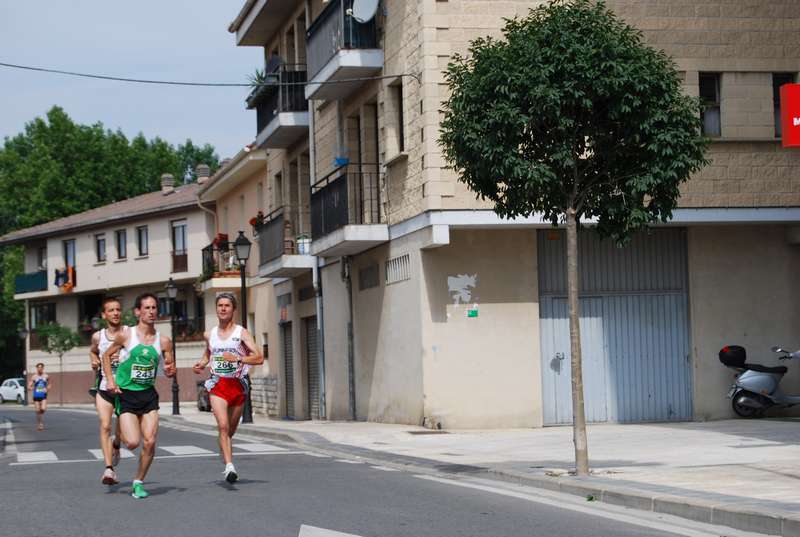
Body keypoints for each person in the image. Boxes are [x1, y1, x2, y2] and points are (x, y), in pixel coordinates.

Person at [103, 293, 176, 499]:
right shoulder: (127, 335)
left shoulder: (164, 341)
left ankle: (138, 481)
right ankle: (117, 441)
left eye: (154, 308)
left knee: (150, 441)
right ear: (137, 312)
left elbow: (169, 366)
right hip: (126, 395)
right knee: (133, 443)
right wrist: (110, 380)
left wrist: (170, 370)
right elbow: (106, 356)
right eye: (147, 308)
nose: (151, 312)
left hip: (148, 396)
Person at [193, 292, 263, 483]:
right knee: (222, 426)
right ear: (216, 309)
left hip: (238, 385)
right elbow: (209, 353)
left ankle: (224, 448)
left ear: (233, 309)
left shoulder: (242, 333)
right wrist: (201, 363)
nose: (223, 309)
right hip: (218, 384)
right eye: (220, 305)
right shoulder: (210, 334)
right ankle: (230, 467)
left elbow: (259, 357)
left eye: (227, 306)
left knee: (229, 431)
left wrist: (239, 358)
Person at [89, 297, 127, 485]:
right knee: (105, 426)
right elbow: (93, 351)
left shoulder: (129, 333)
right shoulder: (98, 336)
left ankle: (117, 443)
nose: (115, 313)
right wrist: (93, 359)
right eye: (111, 310)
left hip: (125, 389)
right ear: (104, 315)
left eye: (118, 309)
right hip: (104, 387)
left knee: (123, 431)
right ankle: (108, 469)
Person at [28, 363, 51, 431]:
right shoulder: (34, 377)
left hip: (43, 395)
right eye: (38, 367)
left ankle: (40, 416)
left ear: (43, 368)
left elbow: (49, 384)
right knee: (37, 410)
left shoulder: (46, 376)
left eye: (41, 367)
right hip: (36, 395)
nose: (39, 369)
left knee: (43, 409)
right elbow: (29, 385)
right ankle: (40, 424)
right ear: (37, 368)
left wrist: (47, 389)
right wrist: (30, 388)